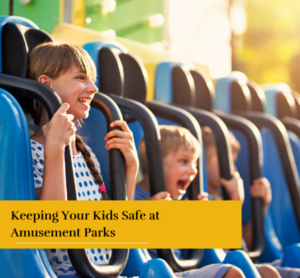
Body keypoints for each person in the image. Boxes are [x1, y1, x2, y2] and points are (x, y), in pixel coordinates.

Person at [29, 42, 139, 276]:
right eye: (81, 78)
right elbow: (50, 230)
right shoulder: (31, 152)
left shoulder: (86, 153)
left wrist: (131, 168)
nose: (93, 88)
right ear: (45, 85)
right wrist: (55, 150)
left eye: (92, 79)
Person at [137, 125, 247, 278]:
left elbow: (226, 246)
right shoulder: (133, 197)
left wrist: (202, 220)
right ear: (153, 161)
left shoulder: (176, 203)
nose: (194, 170)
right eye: (183, 161)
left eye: (195, 163)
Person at [202, 126, 300, 278]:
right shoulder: (200, 199)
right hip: (223, 265)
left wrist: (261, 207)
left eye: (234, 162)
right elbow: (219, 247)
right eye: (227, 160)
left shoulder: (223, 196)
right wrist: (234, 204)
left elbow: (242, 242)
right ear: (201, 161)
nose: (233, 168)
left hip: (244, 261)